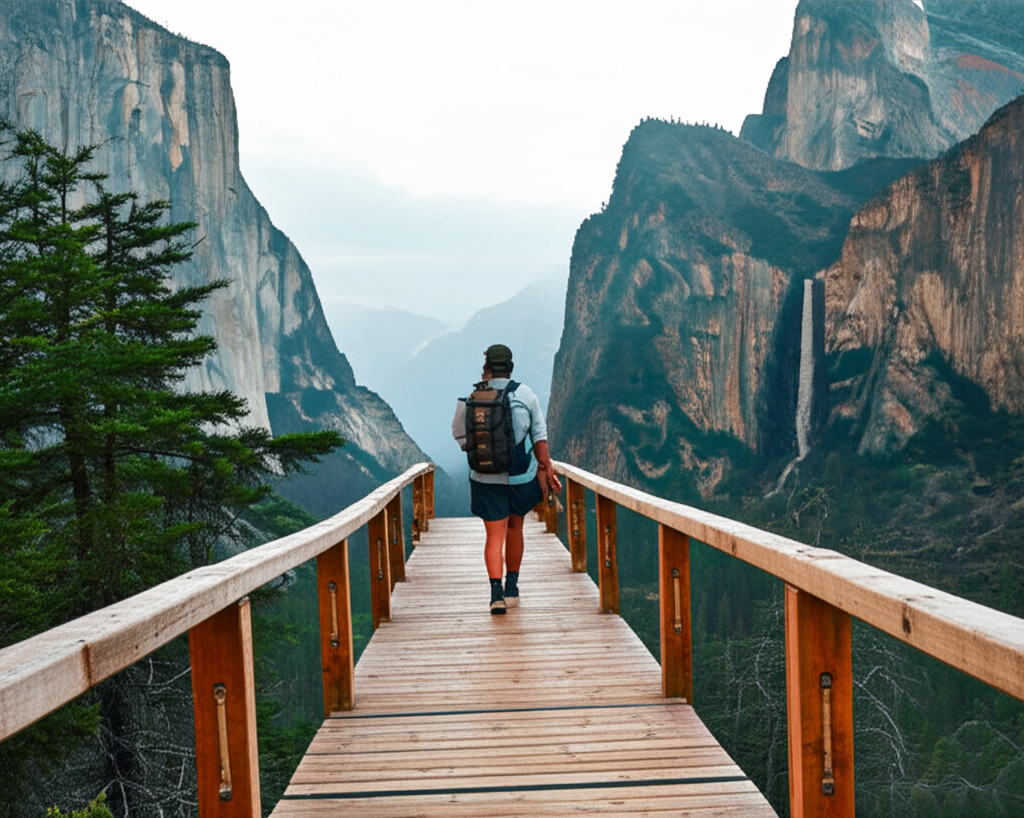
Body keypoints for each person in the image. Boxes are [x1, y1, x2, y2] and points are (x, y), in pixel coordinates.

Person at [452, 343, 562, 614]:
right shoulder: (526, 395)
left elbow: (461, 436)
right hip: (519, 477)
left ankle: (495, 595)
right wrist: (545, 468)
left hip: (485, 477)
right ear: (510, 368)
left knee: (493, 536)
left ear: (486, 368)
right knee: (515, 528)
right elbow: (539, 437)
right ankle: (512, 588)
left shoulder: (475, 396)